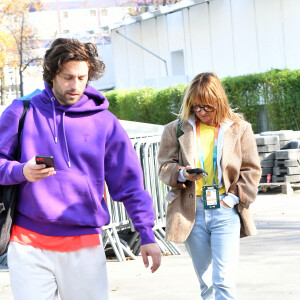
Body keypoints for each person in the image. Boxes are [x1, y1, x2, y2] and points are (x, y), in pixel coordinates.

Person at [0, 38, 161, 300]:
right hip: (28, 243)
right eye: (68, 77)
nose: (75, 85)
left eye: (82, 77)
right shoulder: (22, 112)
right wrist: (21, 171)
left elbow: (129, 183)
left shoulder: (104, 122)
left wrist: (146, 233)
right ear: (51, 74)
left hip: (85, 243)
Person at [158, 72, 261, 299]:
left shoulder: (239, 128)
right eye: (195, 107)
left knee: (223, 280)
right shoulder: (175, 130)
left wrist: (231, 199)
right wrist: (182, 174)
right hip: (192, 210)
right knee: (206, 283)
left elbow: (251, 170)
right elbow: (164, 168)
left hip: (226, 208)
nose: (201, 112)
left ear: (219, 102)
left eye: (207, 107)